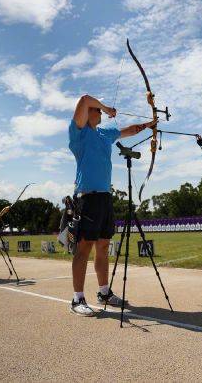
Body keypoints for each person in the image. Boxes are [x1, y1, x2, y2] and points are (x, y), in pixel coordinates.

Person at [67, 95, 156, 316]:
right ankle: (77, 299)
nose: (99, 113)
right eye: (96, 111)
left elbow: (132, 130)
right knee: (83, 247)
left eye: (98, 110)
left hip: (105, 198)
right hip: (87, 197)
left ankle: (104, 292)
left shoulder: (104, 134)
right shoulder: (78, 132)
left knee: (104, 247)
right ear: (89, 113)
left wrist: (151, 124)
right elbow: (85, 99)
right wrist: (105, 107)